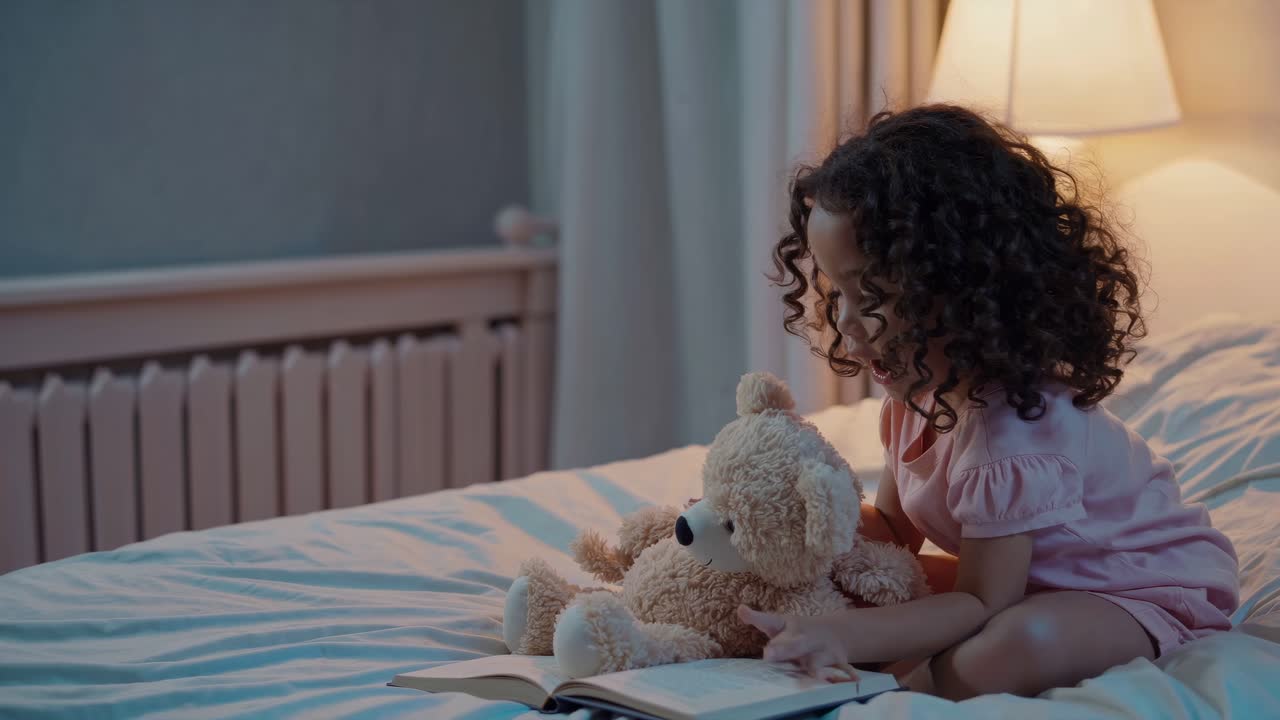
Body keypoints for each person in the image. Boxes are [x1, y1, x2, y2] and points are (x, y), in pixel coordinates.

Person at [738, 105, 1239, 700]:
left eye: (869, 294)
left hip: (1134, 589)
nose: (844, 321)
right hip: (1020, 580)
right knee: (846, 580)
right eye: (834, 290)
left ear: (962, 291)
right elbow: (896, 531)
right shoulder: (912, 398)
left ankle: (894, 695)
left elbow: (981, 602)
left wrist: (848, 636)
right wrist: (771, 523)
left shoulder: (1009, 432)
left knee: (1013, 645)